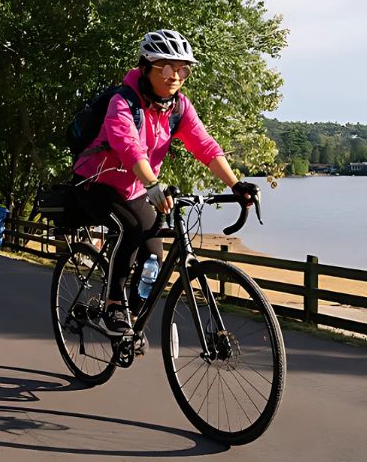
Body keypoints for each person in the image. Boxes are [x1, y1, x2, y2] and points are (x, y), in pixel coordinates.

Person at [73, 29, 258, 339]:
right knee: (130, 229)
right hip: (96, 182)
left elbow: (204, 145)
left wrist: (235, 184)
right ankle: (114, 305)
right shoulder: (123, 102)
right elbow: (127, 145)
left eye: (183, 68)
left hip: (135, 189)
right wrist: (153, 183)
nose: (177, 75)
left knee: (153, 258)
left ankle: (131, 321)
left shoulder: (178, 107)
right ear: (146, 67)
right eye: (168, 67)